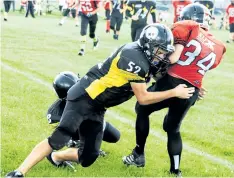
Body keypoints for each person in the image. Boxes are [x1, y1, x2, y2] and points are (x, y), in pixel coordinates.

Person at [5, 23, 195, 177]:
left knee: (88, 157)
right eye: (159, 51)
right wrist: (174, 92)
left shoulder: (144, 57)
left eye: (164, 52)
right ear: (148, 45)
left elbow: (165, 75)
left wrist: (195, 86)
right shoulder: (134, 57)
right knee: (60, 136)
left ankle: (56, 158)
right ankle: (18, 172)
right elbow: (144, 98)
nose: (162, 56)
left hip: (98, 107)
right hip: (84, 97)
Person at [122, 3, 226, 177]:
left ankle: (138, 154)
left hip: (171, 82)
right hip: (191, 90)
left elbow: (174, 58)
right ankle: (175, 170)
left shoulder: (187, 26)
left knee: (142, 108)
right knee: (173, 128)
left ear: (188, 17)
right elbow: (196, 67)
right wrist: (195, 85)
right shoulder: (218, 45)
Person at [47, 71, 121, 146]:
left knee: (115, 136)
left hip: (95, 121)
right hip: (83, 125)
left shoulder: (88, 93)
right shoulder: (59, 110)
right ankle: (78, 142)